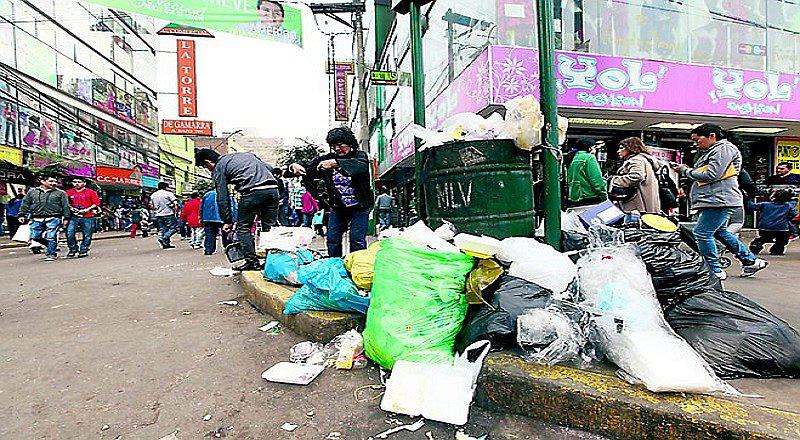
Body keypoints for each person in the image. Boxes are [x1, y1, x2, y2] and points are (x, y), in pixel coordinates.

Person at [672, 123, 768, 280]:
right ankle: (750, 261)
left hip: (719, 200)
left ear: (712, 136)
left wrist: (685, 171)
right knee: (719, 231)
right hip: (716, 199)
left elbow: (712, 174)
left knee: (702, 233)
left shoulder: (723, 149)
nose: (696, 144)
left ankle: (714, 269)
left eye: (697, 140)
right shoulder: (713, 150)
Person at [289, 126, 373, 257]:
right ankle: (335, 265)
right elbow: (307, 165)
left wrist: (335, 163)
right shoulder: (327, 158)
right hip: (339, 206)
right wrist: (294, 165)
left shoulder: (359, 156)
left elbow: (360, 166)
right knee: (332, 238)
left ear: (350, 143)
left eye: (340, 145)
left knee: (357, 239)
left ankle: (357, 266)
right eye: (333, 146)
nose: (337, 149)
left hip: (360, 206)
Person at [195, 148, 280, 271]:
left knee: (243, 227)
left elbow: (222, 196)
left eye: (206, 167)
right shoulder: (247, 155)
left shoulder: (219, 167)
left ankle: (252, 262)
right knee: (270, 227)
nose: (208, 169)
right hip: (273, 190)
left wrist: (227, 220)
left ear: (208, 162)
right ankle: (272, 261)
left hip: (252, 191)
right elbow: (270, 168)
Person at [18, 175, 71, 261]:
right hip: (36, 217)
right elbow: (25, 203)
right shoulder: (32, 192)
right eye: (50, 181)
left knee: (51, 236)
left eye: (55, 181)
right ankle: (50, 245)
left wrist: (66, 218)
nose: (53, 183)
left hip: (54, 217)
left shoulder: (61, 193)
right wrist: (21, 214)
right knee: (34, 236)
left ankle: (51, 253)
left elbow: (65, 206)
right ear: (42, 181)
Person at [609, 137, 663, 213]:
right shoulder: (644, 159)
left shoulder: (636, 160)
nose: (618, 151)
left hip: (638, 206)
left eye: (622, 148)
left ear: (630, 148)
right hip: (647, 204)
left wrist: (614, 180)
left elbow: (637, 176)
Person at [747, 190, 798, 256]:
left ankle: (757, 244)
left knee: (764, 238)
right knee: (781, 240)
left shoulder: (765, 204)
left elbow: (752, 206)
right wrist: (787, 219)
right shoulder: (788, 206)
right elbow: (794, 213)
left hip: (765, 227)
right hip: (781, 228)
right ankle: (777, 250)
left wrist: (748, 199)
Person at [65, 177, 101, 258]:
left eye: (79, 182)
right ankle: (73, 249)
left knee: (87, 234)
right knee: (69, 233)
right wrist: (71, 208)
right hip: (73, 216)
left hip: (87, 216)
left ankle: (84, 250)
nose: (76, 184)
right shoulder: (68, 192)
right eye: (74, 182)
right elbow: (65, 202)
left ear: (84, 183)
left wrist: (87, 209)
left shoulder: (90, 192)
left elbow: (96, 203)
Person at [565, 137, 606, 206]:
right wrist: (604, 196)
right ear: (589, 148)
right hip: (589, 196)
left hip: (574, 196)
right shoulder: (589, 157)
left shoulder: (573, 157)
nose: (595, 150)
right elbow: (596, 179)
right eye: (594, 148)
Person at [201, 189, 237, 255]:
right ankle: (228, 248)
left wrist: (201, 218)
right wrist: (234, 219)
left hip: (208, 218)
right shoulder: (226, 195)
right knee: (226, 233)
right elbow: (232, 207)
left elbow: (202, 207)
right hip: (223, 217)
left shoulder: (207, 194)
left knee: (209, 234)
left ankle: (209, 250)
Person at [150, 182, 179, 249]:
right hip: (168, 214)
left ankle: (166, 244)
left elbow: (152, 206)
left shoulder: (153, 195)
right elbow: (175, 204)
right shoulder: (168, 194)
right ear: (166, 187)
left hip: (158, 214)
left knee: (164, 229)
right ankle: (164, 238)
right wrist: (176, 212)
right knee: (174, 228)